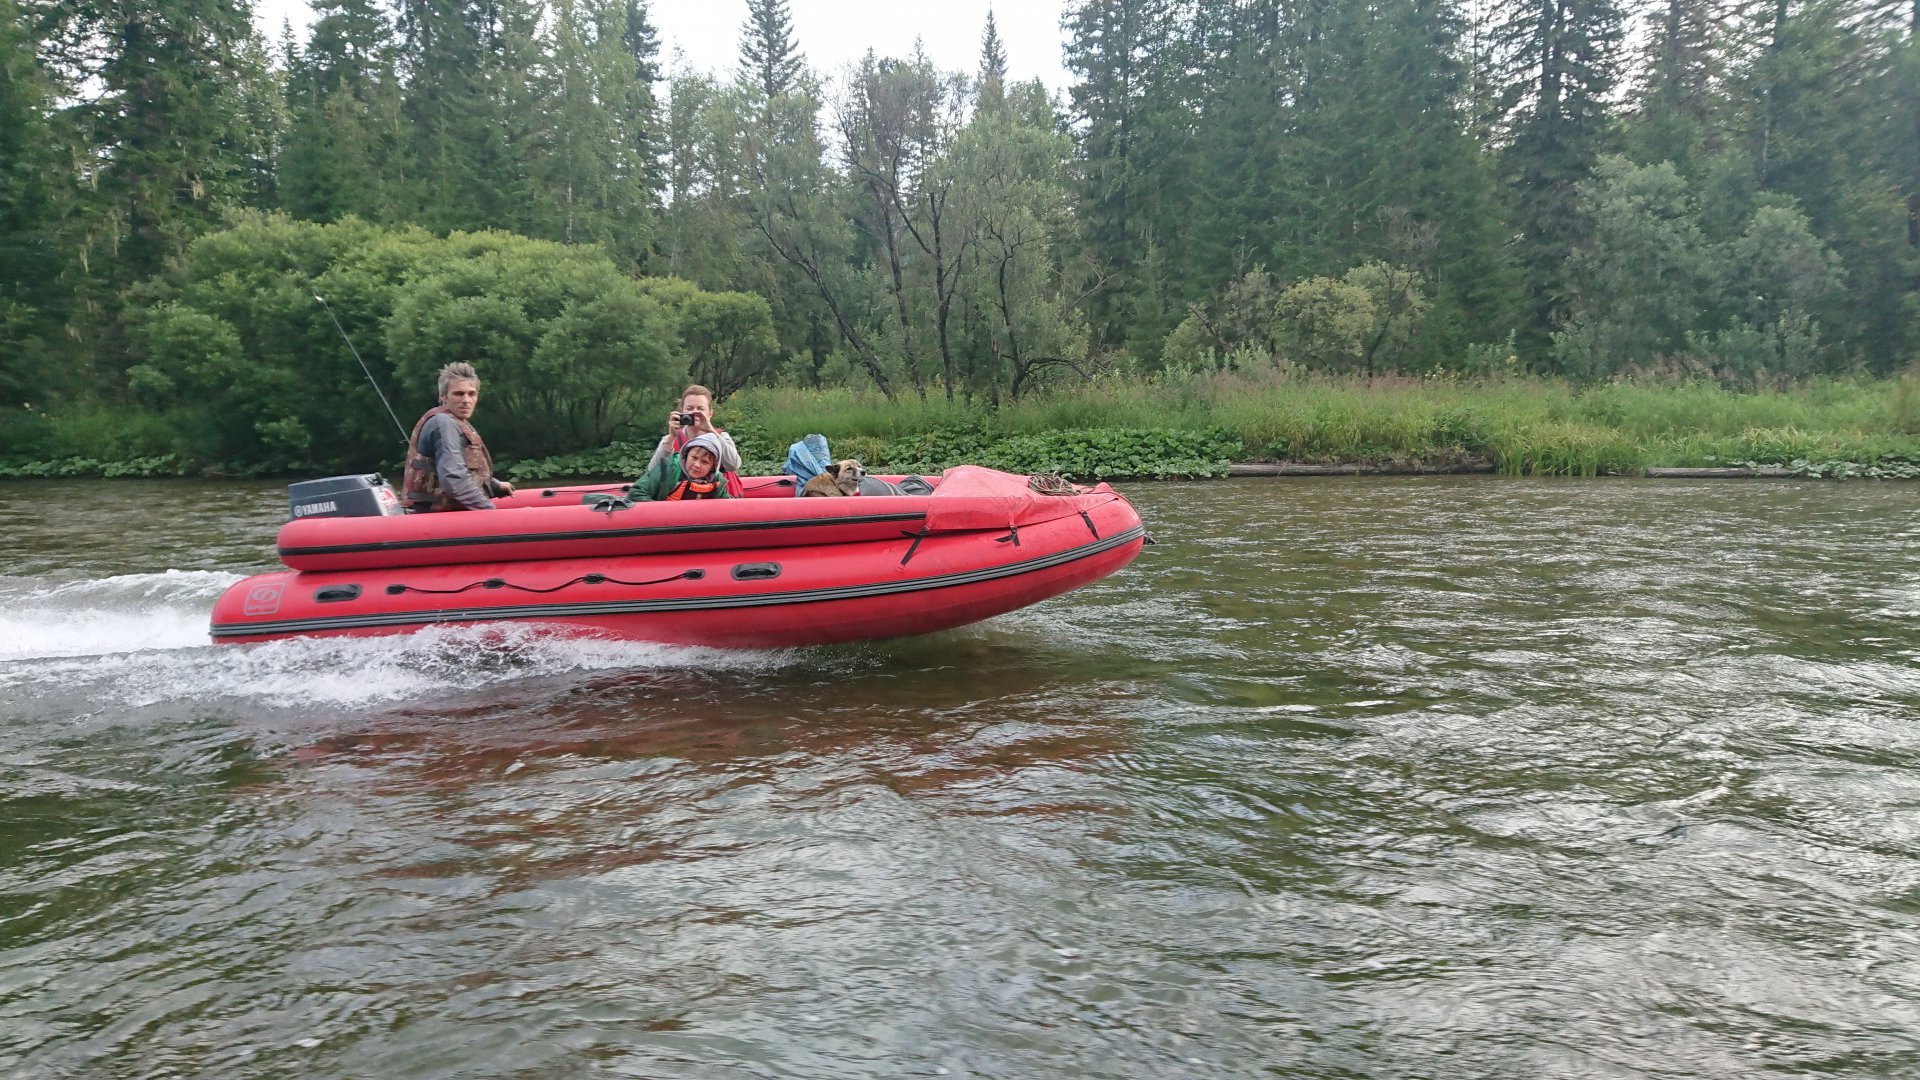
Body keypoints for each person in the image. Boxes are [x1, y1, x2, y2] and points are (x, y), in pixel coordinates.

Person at [401, 361, 515, 511]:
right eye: (459, 394)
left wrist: (493, 485)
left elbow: (460, 468)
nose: (466, 400)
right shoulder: (445, 424)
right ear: (443, 396)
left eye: (471, 394)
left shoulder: (456, 421)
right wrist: (489, 511)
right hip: (437, 514)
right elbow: (453, 478)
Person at [642, 384, 742, 490]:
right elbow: (652, 472)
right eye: (689, 408)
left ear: (710, 414)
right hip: (685, 497)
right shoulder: (671, 439)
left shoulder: (721, 436)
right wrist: (671, 437)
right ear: (682, 411)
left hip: (721, 496)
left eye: (700, 409)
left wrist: (711, 431)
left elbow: (734, 465)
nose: (694, 413)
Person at [631, 432, 736, 502]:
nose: (696, 465)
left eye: (705, 462)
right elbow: (636, 492)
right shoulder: (667, 469)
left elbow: (727, 505)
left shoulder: (717, 480)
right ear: (686, 455)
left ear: (713, 467)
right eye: (694, 458)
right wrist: (662, 513)